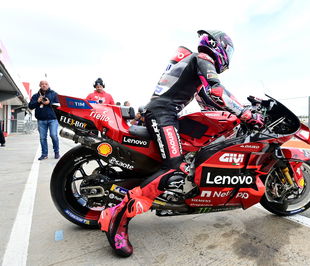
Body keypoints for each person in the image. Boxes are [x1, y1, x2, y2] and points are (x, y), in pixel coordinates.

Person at [98, 30, 264, 257]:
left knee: (182, 158)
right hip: (163, 113)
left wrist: (238, 110)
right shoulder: (203, 59)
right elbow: (216, 90)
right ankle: (119, 216)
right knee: (174, 168)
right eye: (228, 50)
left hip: (163, 112)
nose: (228, 56)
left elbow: (206, 96)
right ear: (218, 47)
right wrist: (245, 113)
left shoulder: (193, 63)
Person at [28, 80, 60, 160]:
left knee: (53, 135)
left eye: (46, 84)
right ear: (40, 85)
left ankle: (57, 152)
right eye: (42, 84)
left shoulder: (54, 94)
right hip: (41, 120)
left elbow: (59, 104)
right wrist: (38, 102)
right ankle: (44, 154)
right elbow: (30, 106)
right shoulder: (36, 96)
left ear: (48, 85)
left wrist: (49, 102)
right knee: (42, 138)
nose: (44, 85)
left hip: (53, 119)